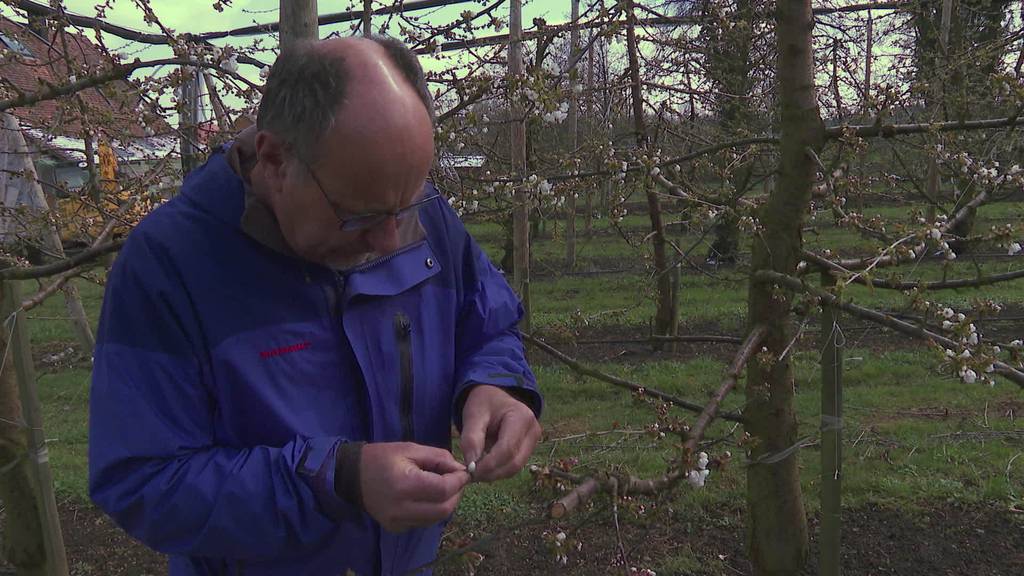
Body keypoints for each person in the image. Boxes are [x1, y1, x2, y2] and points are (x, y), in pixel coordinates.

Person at [88, 36, 542, 576]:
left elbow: (488, 326)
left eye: (410, 201)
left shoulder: (418, 216)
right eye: (360, 217)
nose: (392, 241)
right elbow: (141, 482)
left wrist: (497, 386)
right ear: (276, 161)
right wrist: (337, 479)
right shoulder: (169, 266)